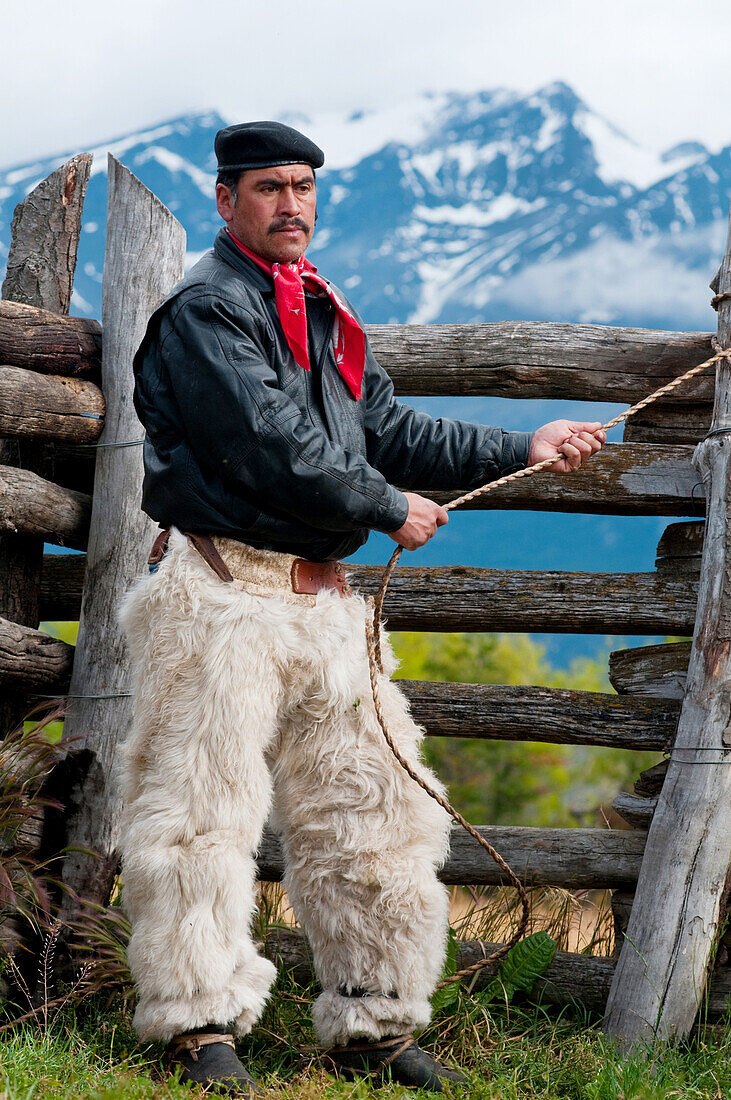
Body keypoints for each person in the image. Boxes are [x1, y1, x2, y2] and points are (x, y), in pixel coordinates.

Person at [119, 120, 605, 1095]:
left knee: (373, 811)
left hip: (322, 604)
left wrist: (521, 447)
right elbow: (267, 439)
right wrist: (383, 506)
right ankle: (195, 1024)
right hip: (220, 594)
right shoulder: (202, 313)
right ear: (227, 200)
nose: (289, 203)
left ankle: (372, 1021)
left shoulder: (319, 307)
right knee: (199, 815)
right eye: (268, 187)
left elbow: (384, 427)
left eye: (302, 185)